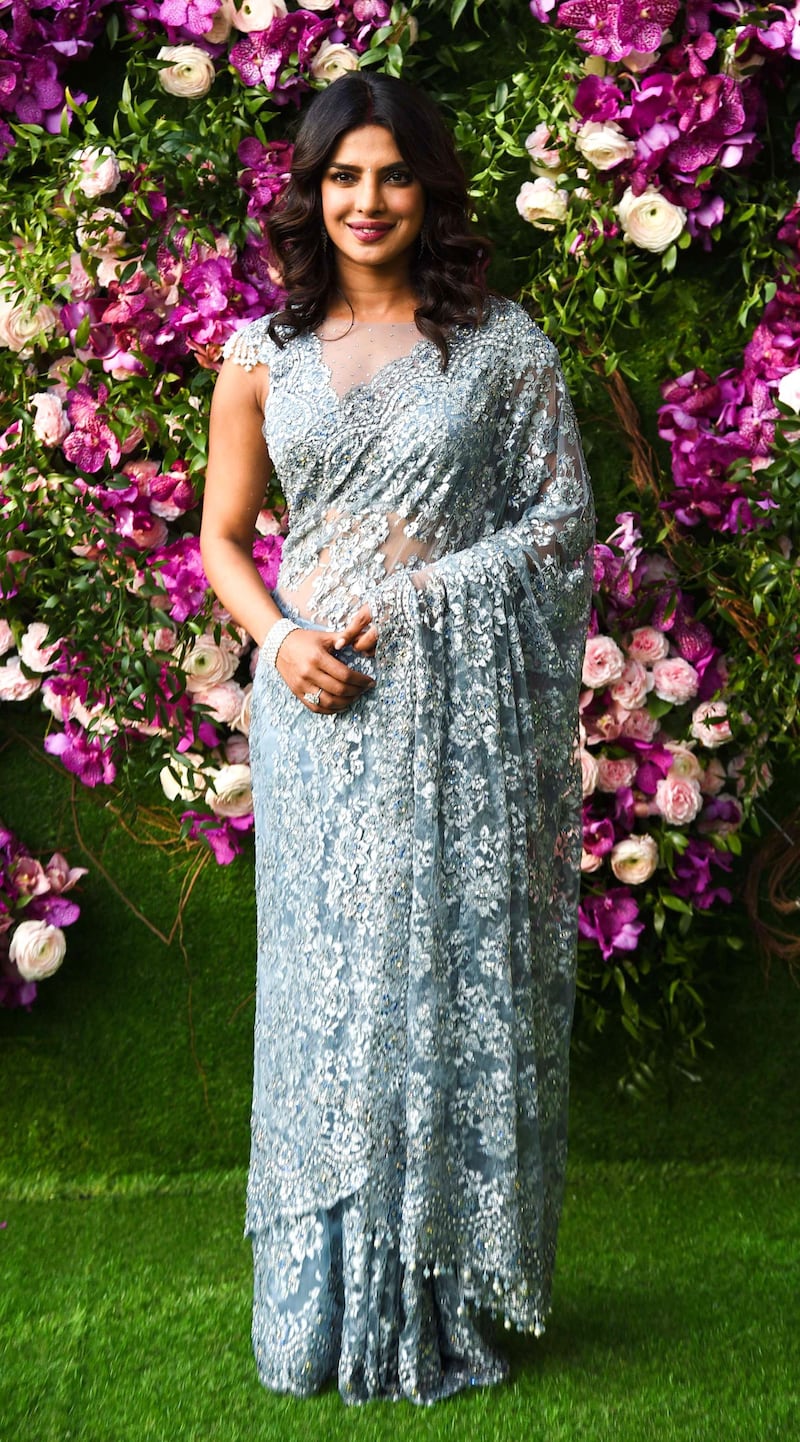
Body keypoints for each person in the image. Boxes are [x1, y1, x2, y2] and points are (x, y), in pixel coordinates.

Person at [200, 71, 594, 1407]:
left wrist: (421, 600)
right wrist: (277, 635)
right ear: (313, 193)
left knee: (434, 984)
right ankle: (320, 1310)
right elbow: (223, 535)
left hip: (452, 727)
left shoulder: (503, 351)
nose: (367, 201)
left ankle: (433, 1295)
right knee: (327, 1002)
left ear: (431, 190)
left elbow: (554, 532)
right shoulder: (260, 356)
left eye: (394, 175)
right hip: (315, 713)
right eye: (341, 176)